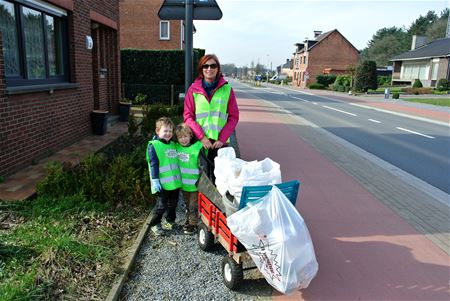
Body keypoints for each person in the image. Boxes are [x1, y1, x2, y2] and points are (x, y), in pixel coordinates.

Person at [184, 54, 239, 183]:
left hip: (218, 144)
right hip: (199, 143)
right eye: (206, 66)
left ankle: (216, 203)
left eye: (213, 65)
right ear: (201, 69)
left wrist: (222, 139)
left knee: (219, 180)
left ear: (218, 69)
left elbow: (234, 116)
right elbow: (188, 116)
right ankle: (202, 202)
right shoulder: (193, 90)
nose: (209, 69)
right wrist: (202, 137)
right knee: (199, 179)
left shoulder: (227, 90)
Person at [146, 117, 181, 236]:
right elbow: (153, 164)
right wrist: (155, 180)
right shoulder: (153, 145)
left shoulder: (173, 144)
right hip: (162, 183)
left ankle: (170, 220)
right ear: (157, 131)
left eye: (170, 131)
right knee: (162, 206)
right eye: (165, 131)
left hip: (175, 183)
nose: (168, 133)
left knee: (173, 203)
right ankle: (155, 224)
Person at [175, 123, 205, 235]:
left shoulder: (197, 147)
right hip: (183, 185)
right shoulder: (176, 148)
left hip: (195, 185)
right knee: (187, 205)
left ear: (190, 135)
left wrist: (202, 182)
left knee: (193, 206)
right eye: (180, 137)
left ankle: (193, 224)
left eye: (185, 136)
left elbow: (202, 166)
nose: (183, 139)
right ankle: (188, 220)